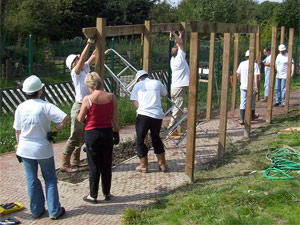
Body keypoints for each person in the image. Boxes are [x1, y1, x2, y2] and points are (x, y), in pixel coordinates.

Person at [13, 75, 68, 219]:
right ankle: (54, 211)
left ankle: (36, 210)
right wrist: (55, 130)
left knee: (31, 179)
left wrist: (18, 147)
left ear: (26, 92)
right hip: (43, 148)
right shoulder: (45, 106)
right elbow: (64, 118)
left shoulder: (21, 107)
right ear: (40, 90)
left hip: (25, 148)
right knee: (50, 179)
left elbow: (17, 131)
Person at [77, 72, 119, 204]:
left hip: (92, 134)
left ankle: (93, 195)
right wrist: (116, 132)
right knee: (107, 164)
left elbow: (80, 118)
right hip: (107, 132)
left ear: (90, 86)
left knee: (94, 165)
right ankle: (107, 193)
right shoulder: (111, 97)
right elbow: (115, 118)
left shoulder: (87, 99)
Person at [61, 39, 96, 172]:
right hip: (79, 106)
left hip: (88, 105)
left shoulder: (85, 68)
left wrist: (99, 44)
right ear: (73, 64)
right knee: (75, 134)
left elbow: (92, 57)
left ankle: (76, 161)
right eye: (77, 60)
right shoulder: (75, 74)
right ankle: (65, 163)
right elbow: (83, 58)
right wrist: (88, 43)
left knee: (83, 134)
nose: (80, 60)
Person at [130, 70, 168, 173]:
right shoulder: (157, 82)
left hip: (143, 115)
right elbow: (165, 93)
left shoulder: (137, 85)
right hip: (157, 115)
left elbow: (133, 100)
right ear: (147, 76)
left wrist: (140, 107)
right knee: (156, 137)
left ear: (138, 79)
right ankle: (162, 164)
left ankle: (143, 165)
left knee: (140, 139)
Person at [168, 30, 189, 139]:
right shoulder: (180, 58)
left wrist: (180, 35)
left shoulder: (173, 59)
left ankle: (175, 130)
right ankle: (171, 129)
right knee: (178, 109)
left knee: (175, 108)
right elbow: (180, 43)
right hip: (179, 87)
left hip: (174, 87)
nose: (176, 46)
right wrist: (174, 33)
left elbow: (179, 43)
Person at [237, 50, 260, 125]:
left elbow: (238, 74)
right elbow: (256, 77)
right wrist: (256, 87)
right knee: (252, 101)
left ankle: (242, 119)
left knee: (243, 102)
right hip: (251, 87)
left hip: (243, 86)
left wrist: (240, 81)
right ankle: (252, 116)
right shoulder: (255, 65)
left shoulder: (241, 64)